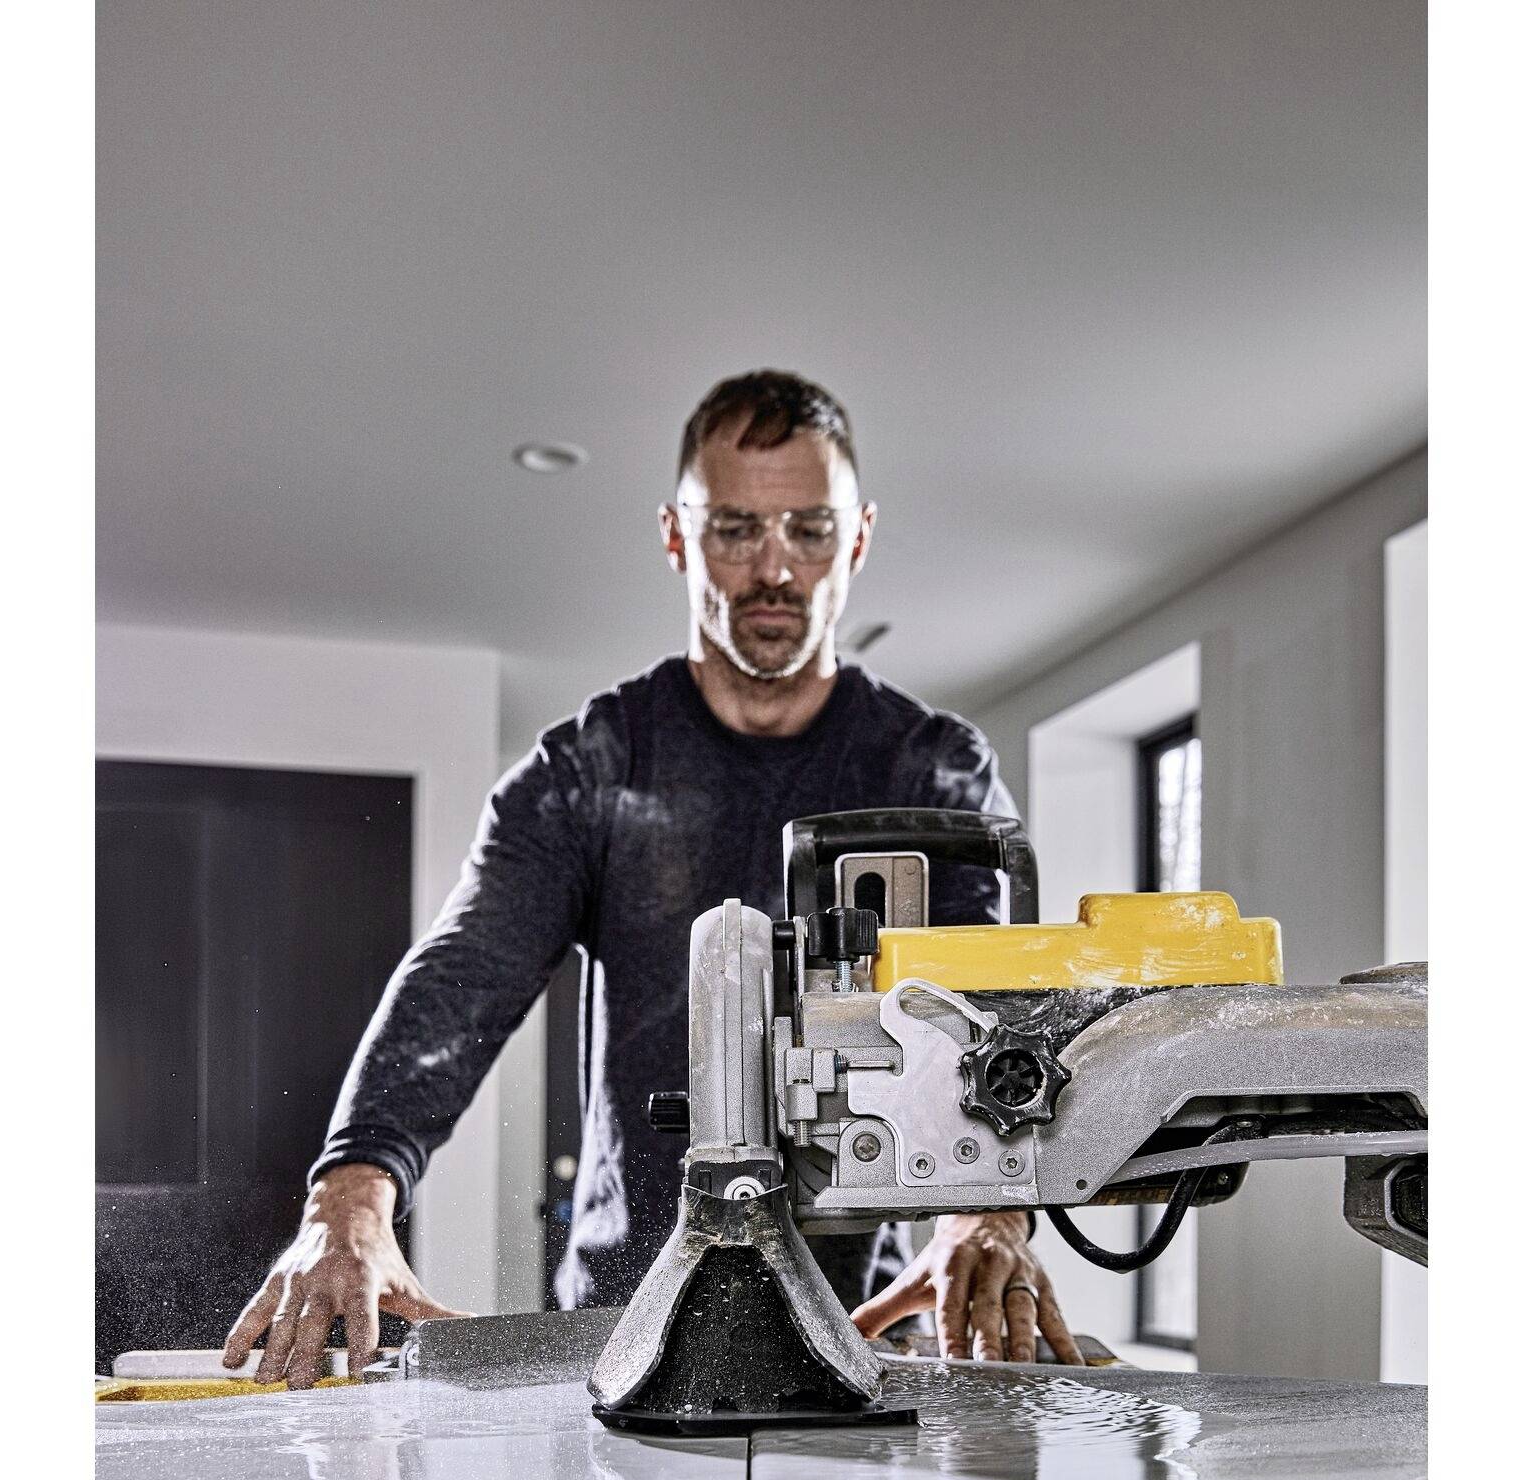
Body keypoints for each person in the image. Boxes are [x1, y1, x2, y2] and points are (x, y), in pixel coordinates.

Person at [222, 370, 1104, 1389]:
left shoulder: (930, 771)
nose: (775, 569)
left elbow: (983, 1022)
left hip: (867, 1325)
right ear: (676, 536)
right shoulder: (591, 770)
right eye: (734, 529)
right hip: (623, 1326)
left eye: (808, 531)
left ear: (855, 538)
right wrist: (349, 1202)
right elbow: (459, 983)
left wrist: (982, 1215)